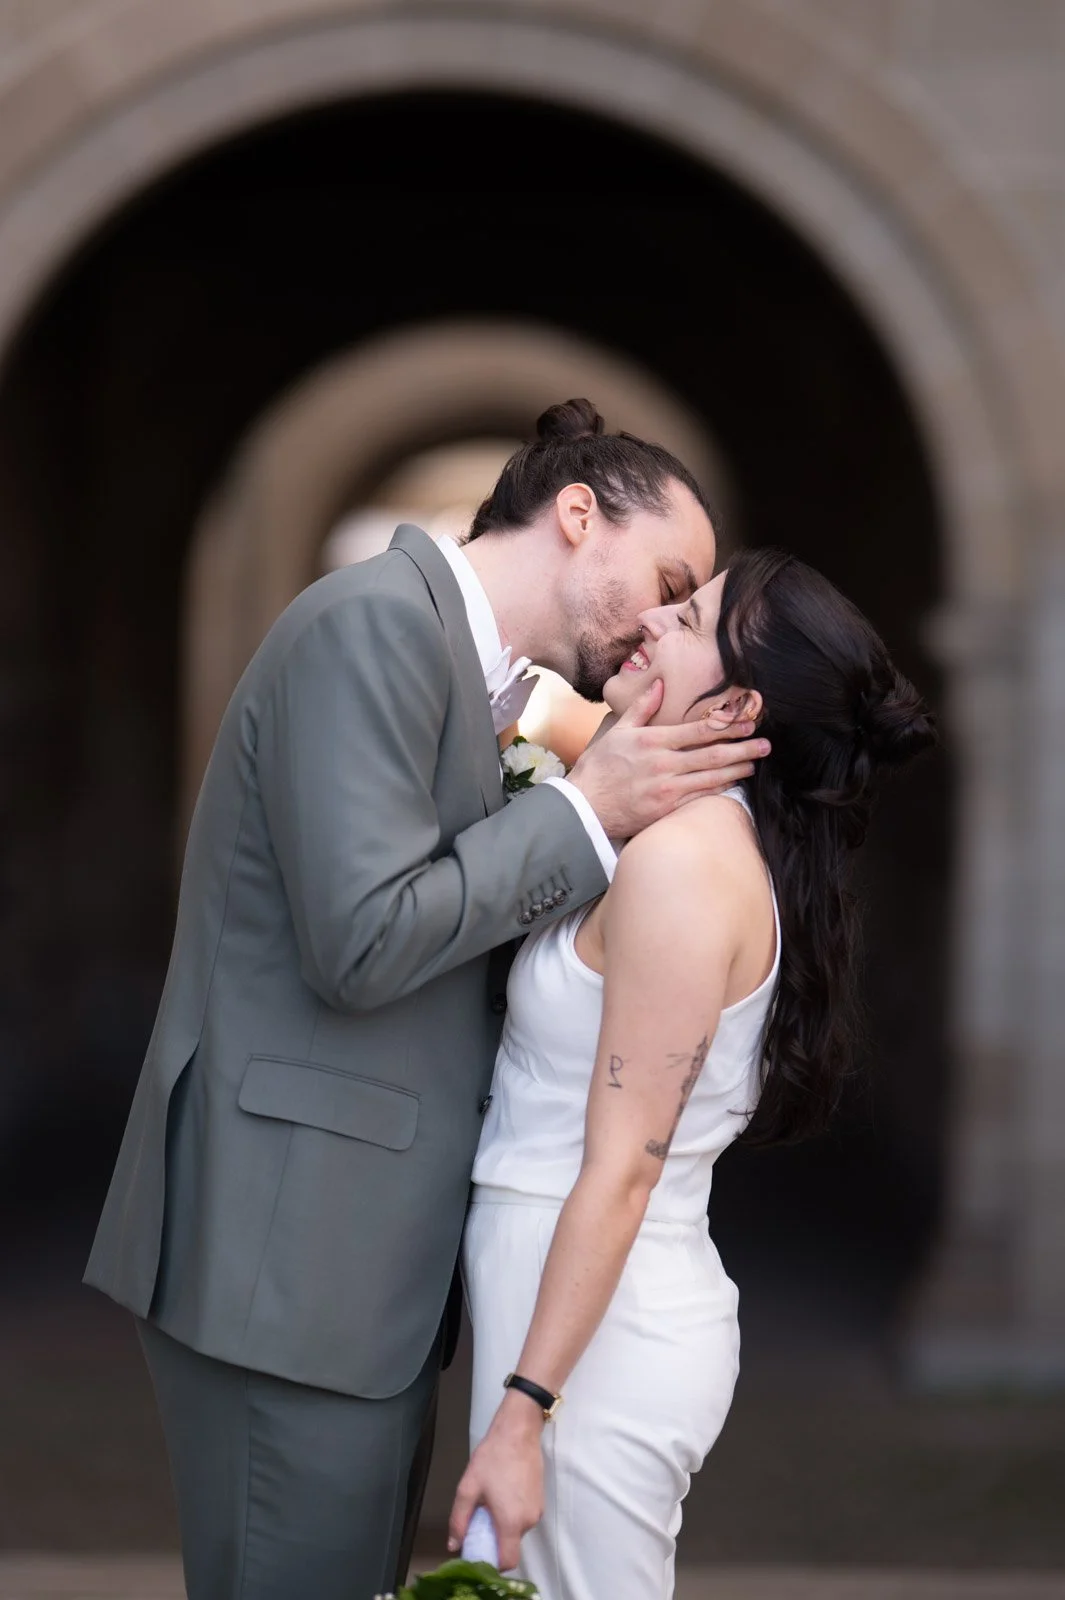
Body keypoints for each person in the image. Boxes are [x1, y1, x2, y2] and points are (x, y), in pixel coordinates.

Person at [83, 398, 768, 1600]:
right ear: (575, 516)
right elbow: (362, 939)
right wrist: (581, 812)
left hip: (357, 1281)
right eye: (668, 579)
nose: (665, 621)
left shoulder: (470, 675)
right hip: (285, 1270)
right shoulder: (372, 626)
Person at [452, 545, 937, 1596]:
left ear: (737, 708)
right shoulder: (678, 813)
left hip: (598, 1348)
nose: (652, 623)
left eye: (688, 619)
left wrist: (524, 1412)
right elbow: (557, 718)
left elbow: (623, 1167)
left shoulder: (682, 868)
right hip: (566, 1306)